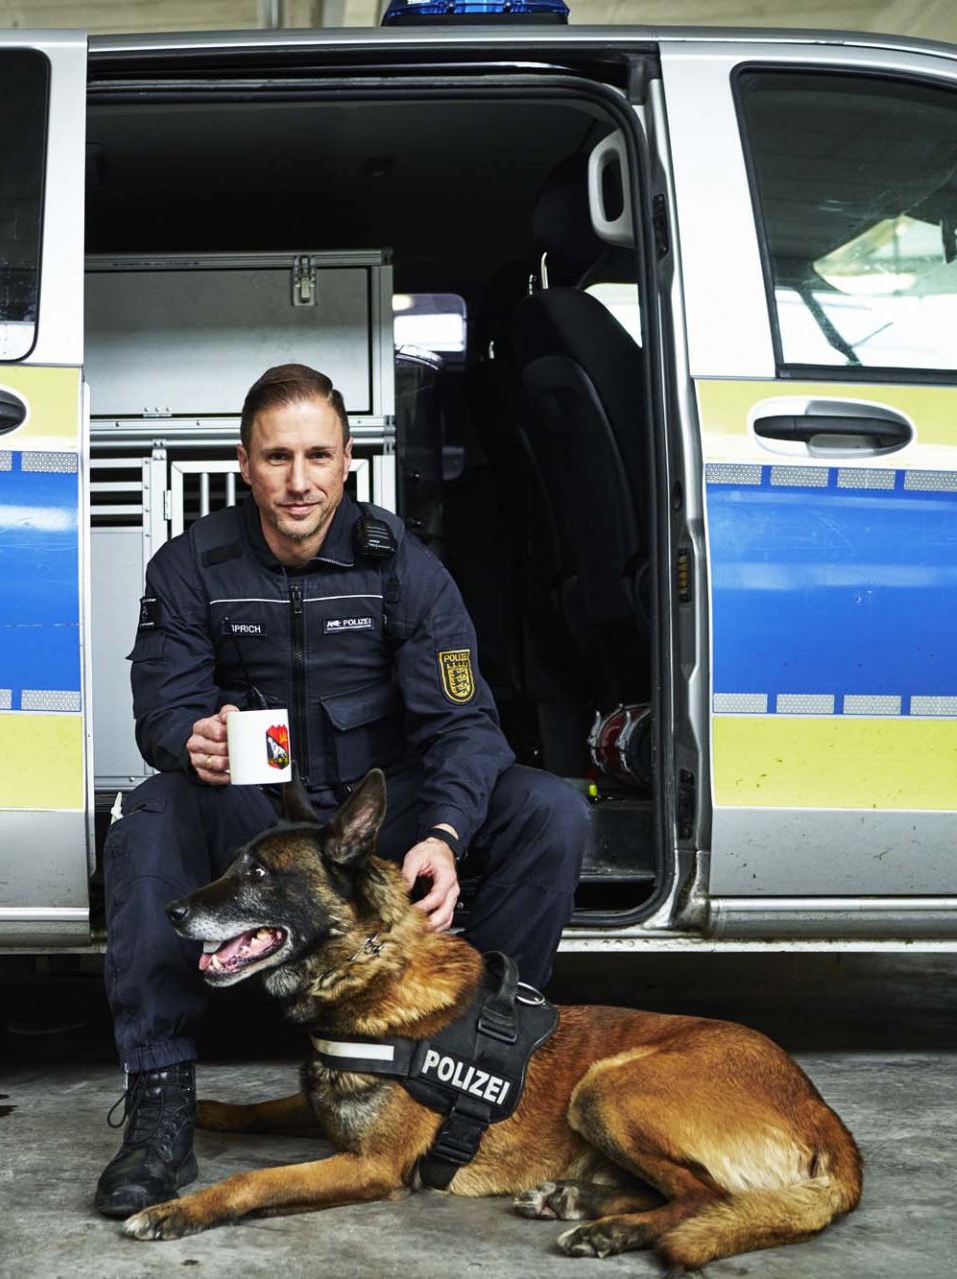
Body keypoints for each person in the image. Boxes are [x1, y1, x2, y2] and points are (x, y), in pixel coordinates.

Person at [94, 363, 589, 1218]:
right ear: (244, 463)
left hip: (378, 817)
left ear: (348, 459)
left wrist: (443, 832)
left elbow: (466, 727)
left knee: (550, 808)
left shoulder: (404, 567)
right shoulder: (191, 566)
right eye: (277, 457)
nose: (299, 480)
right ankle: (158, 1107)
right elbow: (161, 710)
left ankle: (481, 1049)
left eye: (318, 456)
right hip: (259, 816)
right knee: (150, 811)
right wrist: (189, 737)